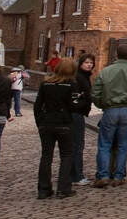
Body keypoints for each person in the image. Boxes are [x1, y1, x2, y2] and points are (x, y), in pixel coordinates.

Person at [91, 43, 127, 187]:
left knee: (105, 144)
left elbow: (95, 92)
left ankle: (103, 175)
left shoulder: (106, 71)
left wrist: (101, 105)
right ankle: (118, 175)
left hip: (110, 109)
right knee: (123, 144)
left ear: (116, 54)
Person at [33, 58, 78, 199]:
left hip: (46, 123)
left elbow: (37, 106)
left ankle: (43, 189)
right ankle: (63, 188)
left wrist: (39, 121)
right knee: (66, 155)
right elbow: (73, 106)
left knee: (46, 156)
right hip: (64, 123)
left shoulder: (46, 84)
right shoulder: (71, 85)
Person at [68, 53, 95, 185]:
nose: (89, 65)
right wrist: (85, 100)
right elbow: (77, 98)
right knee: (77, 145)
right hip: (76, 114)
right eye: (86, 62)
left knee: (76, 145)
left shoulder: (83, 76)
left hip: (78, 114)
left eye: (91, 62)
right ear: (80, 64)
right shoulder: (79, 77)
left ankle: (73, 173)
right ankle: (76, 176)